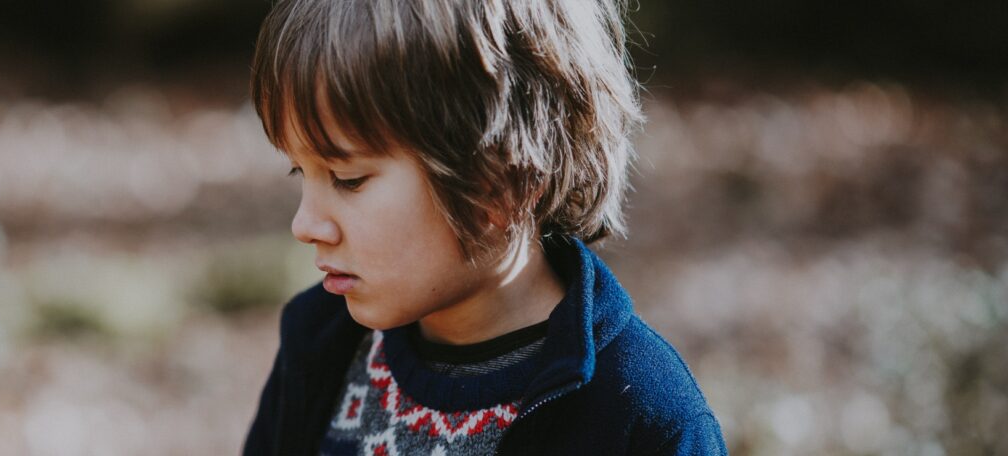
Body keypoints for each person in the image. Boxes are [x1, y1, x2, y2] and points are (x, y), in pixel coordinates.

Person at [241, 0, 727, 454]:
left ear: (499, 182)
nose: (305, 224)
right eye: (301, 172)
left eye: (348, 179)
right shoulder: (321, 344)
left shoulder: (638, 415)